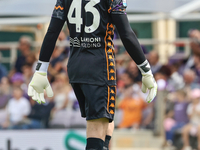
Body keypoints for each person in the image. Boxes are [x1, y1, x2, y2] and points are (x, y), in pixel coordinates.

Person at [28, 0, 157, 149]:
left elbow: (52, 32)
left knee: (105, 119)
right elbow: (126, 34)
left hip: (76, 66)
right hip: (99, 66)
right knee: (97, 126)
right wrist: (146, 70)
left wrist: (40, 69)